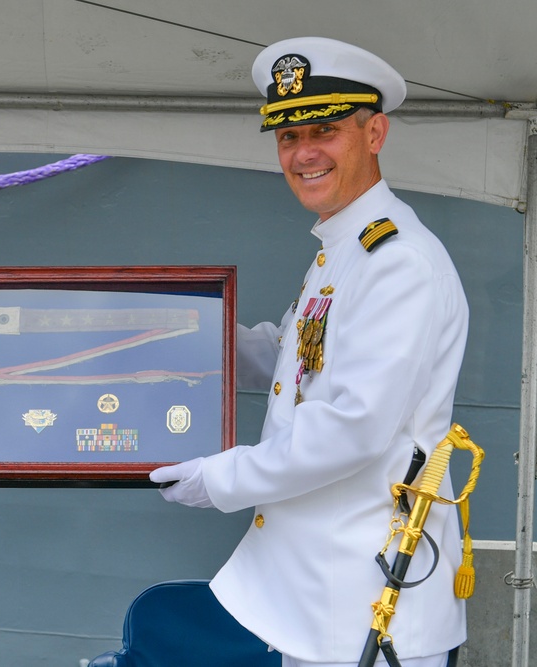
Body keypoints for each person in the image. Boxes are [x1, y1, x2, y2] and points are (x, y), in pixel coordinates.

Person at [150, 37, 469, 667]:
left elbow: (353, 427)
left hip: (369, 603)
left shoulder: (396, 260)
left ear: (374, 133)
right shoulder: (347, 247)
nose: (303, 154)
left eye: (323, 131)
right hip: (324, 595)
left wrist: (221, 479)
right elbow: (307, 364)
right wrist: (201, 344)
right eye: (287, 137)